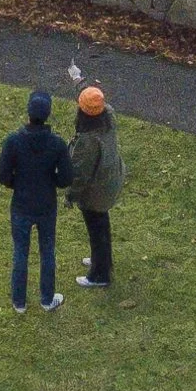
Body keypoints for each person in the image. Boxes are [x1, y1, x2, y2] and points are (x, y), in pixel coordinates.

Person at [0, 89, 74, 313]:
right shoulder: (57, 144)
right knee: (47, 251)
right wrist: (52, 180)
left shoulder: (13, 141)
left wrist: (16, 184)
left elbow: (2, 175)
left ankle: (19, 302)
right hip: (46, 206)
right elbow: (66, 179)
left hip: (21, 205)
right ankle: (47, 299)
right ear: (48, 114)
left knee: (20, 251)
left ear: (28, 113)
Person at [67, 83, 125, 288]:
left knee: (96, 227)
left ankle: (100, 274)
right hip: (111, 180)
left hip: (97, 191)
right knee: (102, 224)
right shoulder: (109, 115)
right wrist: (80, 82)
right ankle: (102, 260)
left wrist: (70, 195)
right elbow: (96, 99)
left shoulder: (87, 141)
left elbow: (80, 174)